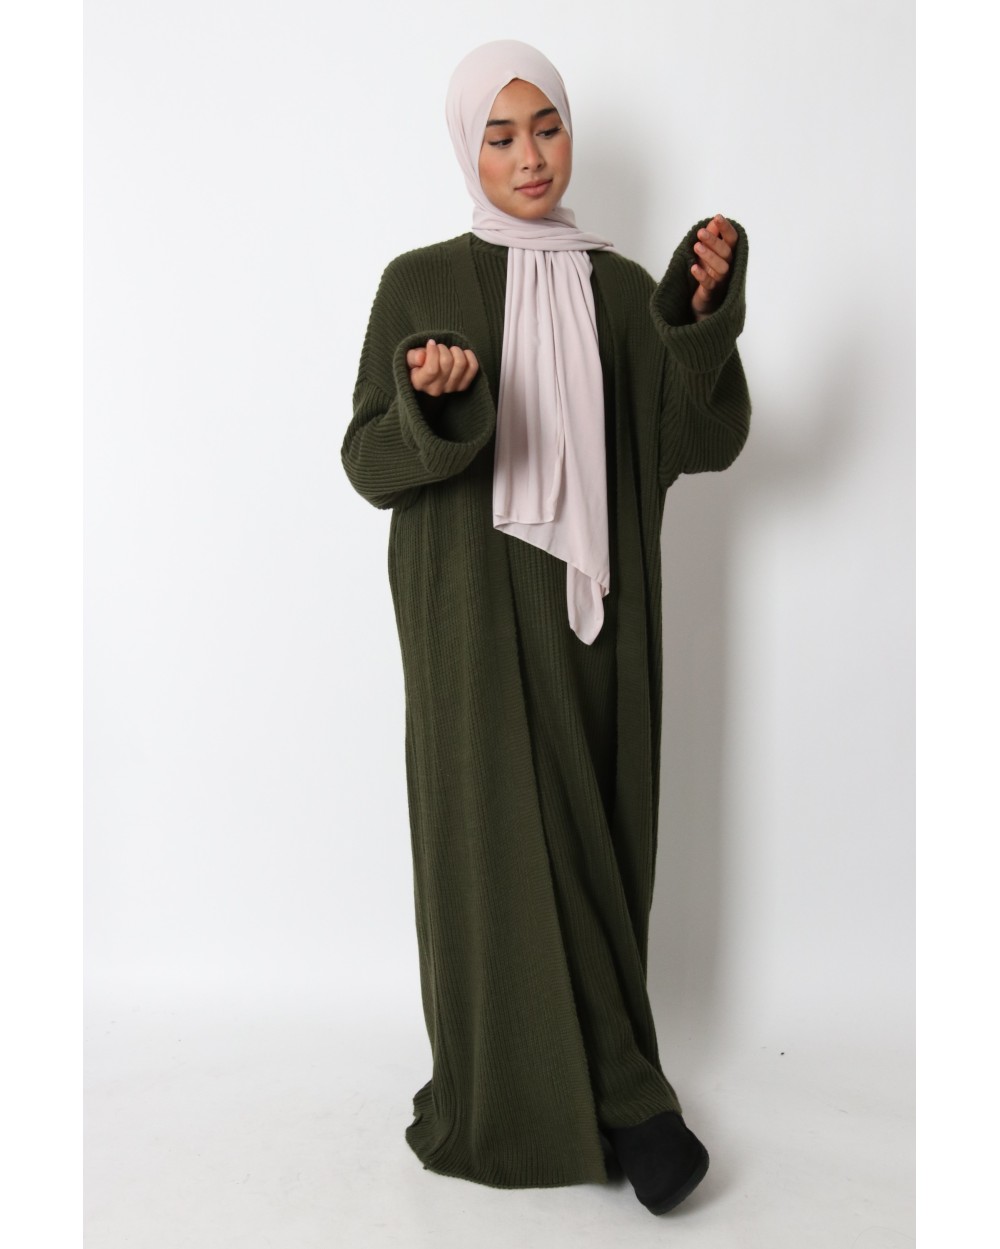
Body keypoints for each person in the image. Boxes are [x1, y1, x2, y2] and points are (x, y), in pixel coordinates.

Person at [341, 39, 750, 1216]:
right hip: (468, 615)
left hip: (595, 616)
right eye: (500, 135)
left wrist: (695, 315)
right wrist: (428, 399)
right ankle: (615, 1101)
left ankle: (612, 1080)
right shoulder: (418, 282)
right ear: (466, 149)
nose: (529, 157)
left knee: (593, 836)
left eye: (547, 127)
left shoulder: (616, 290)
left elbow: (698, 438)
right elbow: (368, 462)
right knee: (496, 840)